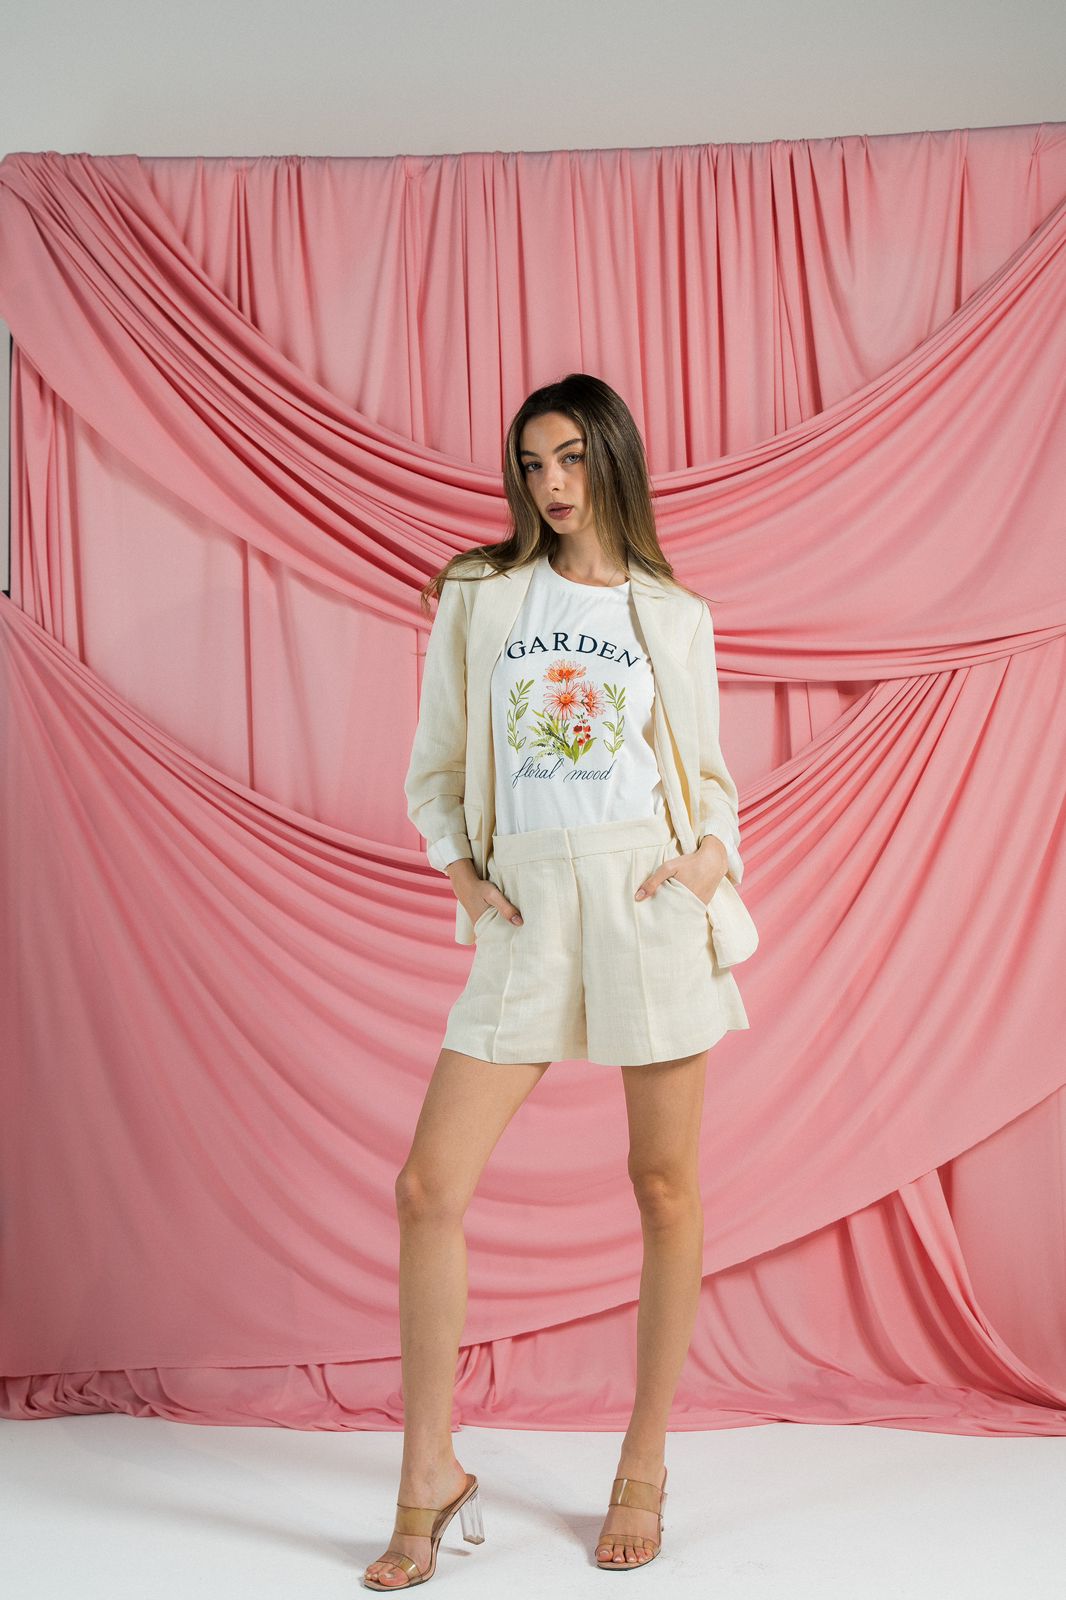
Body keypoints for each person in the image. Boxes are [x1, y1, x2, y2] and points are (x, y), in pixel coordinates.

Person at [363, 373, 755, 1588]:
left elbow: (709, 780)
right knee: (428, 1187)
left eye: (571, 457)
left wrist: (702, 864)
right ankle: (427, 1473)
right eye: (532, 463)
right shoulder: (480, 595)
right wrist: (461, 870)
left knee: (663, 1186)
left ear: (612, 459)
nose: (550, 482)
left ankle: (642, 1463)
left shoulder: (669, 613)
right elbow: (437, 763)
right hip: (528, 904)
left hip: (644, 896)